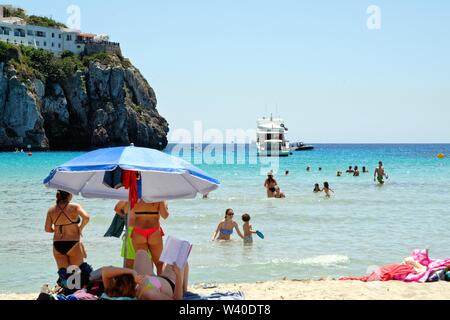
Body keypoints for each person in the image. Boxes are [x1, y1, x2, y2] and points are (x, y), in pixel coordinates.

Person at [100, 250, 189, 300]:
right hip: (168, 281)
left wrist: (132, 273)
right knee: (180, 260)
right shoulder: (149, 294)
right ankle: (184, 290)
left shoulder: (111, 291)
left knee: (141, 253)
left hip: (152, 280)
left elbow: (105, 271)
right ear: (135, 286)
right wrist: (178, 275)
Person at [45, 191, 90, 282]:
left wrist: (57, 229)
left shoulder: (51, 210)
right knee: (77, 273)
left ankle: (67, 292)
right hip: (72, 242)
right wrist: (80, 228)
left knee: (64, 274)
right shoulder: (75, 207)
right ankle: (77, 293)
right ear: (69, 195)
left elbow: (47, 229)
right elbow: (86, 217)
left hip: (57, 244)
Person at [129, 200, 169, 275]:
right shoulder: (158, 197)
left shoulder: (134, 195)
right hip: (154, 232)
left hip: (138, 232)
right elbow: (165, 216)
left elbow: (131, 221)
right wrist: (165, 204)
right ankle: (160, 285)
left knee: (142, 263)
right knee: (159, 264)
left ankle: (146, 285)